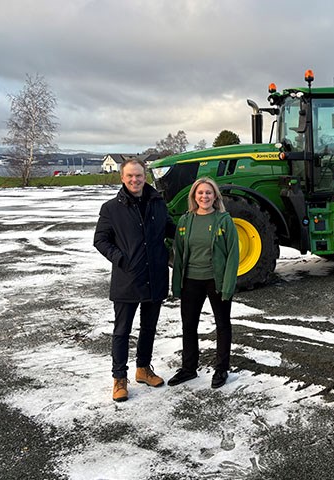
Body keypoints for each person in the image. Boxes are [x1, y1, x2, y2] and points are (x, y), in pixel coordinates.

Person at [93, 158, 176, 402]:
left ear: (145, 176)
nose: (134, 180)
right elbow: (100, 240)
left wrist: (197, 225)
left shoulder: (157, 203)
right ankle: (119, 378)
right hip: (127, 278)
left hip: (155, 276)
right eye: (129, 176)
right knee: (122, 330)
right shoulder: (111, 208)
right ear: (122, 178)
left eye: (138, 175)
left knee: (149, 327)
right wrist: (121, 259)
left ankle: (143, 369)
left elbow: (170, 229)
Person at [168, 177, 239, 389]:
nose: (204, 196)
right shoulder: (185, 221)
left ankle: (221, 369)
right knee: (189, 325)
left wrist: (228, 285)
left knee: (222, 324)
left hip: (215, 280)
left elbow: (233, 254)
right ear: (194, 196)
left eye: (208, 192)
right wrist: (177, 283)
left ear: (215, 196)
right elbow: (178, 254)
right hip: (191, 280)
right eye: (200, 193)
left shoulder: (224, 220)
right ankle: (189, 369)